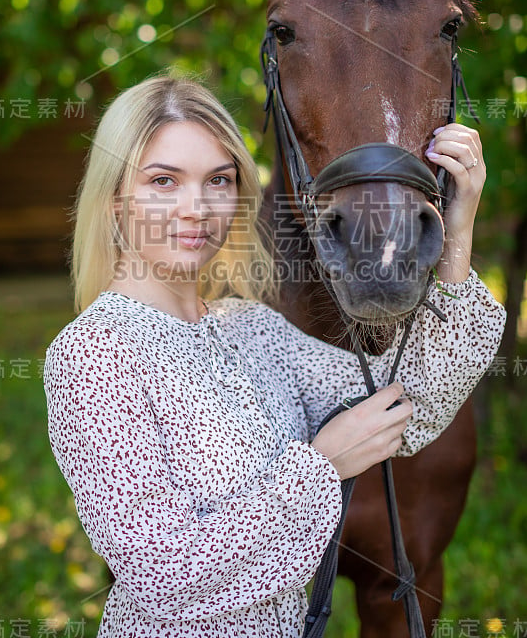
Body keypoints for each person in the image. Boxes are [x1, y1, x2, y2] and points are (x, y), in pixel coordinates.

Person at [44, 74, 505, 638]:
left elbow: (408, 405)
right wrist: (320, 468)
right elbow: (163, 576)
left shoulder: (252, 329)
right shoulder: (94, 353)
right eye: (164, 181)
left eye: (218, 180)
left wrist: (456, 233)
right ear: (116, 201)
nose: (196, 207)